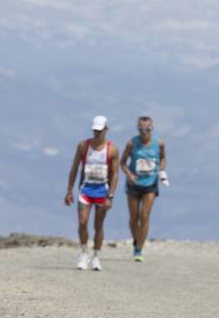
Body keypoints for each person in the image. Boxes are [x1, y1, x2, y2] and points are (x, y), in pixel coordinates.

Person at [64, 115, 119, 271]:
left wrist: (111, 196)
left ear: (106, 130)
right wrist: (69, 190)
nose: (97, 134)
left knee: (98, 225)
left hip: (102, 191)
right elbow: (74, 168)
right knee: (82, 222)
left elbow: (115, 174)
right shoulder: (83, 146)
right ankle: (83, 253)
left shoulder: (112, 149)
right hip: (86, 189)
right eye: (95, 131)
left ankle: (96, 255)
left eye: (100, 131)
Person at [120, 116, 167, 262]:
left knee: (144, 216)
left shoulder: (158, 143)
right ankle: (136, 240)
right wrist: (129, 174)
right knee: (134, 217)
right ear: (137, 128)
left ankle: (139, 248)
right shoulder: (131, 143)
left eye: (147, 129)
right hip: (134, 184)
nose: (144, 132)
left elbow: (163, 158)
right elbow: (122, 162)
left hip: (150, 184)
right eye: (141, 129)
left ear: (152, 129)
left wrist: (161, 171)